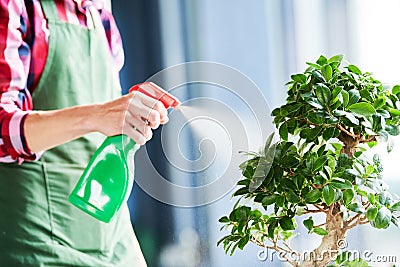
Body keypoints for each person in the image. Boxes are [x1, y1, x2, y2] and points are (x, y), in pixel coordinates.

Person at [0, 0, 167, 266]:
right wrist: (96, 116)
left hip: (112, 243)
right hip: (38, 246)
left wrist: (132, 254)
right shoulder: (18, 7)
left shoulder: (100, 18)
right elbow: (4, 130)